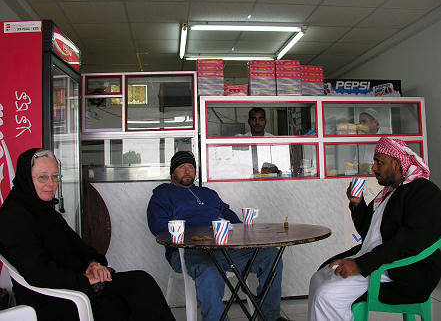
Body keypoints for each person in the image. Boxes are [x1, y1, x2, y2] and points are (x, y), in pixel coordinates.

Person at [0, 148, 175, 321]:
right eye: (42, 177)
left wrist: (93, 264)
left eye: (55, 176)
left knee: (141, 281)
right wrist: (84, 280)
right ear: (26, 179)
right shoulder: (14, 216)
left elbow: (81, 247)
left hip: (77, 283)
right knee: (118, 305)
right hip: (54, 297)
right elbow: (37, 271)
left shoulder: (45, 211)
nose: (51, 183)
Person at [307, 137, 441, 321]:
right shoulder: (390, 193)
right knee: (318, 279)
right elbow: (368, 232)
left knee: (327, 295)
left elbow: (409, 242)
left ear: (396, 163)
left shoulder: (424, 192)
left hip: (405, 271)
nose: (374, 168)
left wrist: (361, 264)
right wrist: (357, 203)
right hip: (379, 259)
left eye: (379, 162)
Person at [147, 151, 287, 321]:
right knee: (209, 269)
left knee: (270, 255)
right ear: (172, 172)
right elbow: (157, 227)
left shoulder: (208, 193)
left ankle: (270, 317)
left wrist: (241, 232)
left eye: (191, 167)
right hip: (189, 251)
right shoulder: (162, 195)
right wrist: (195, 233)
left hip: (224, 248)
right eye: (181, 167)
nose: (187, 170)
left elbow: (228, 214)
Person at [357, 108, 391, 174]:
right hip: (362, 175)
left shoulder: (385, 139)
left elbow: (388, 163)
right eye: (360, 122)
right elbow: (357, 159)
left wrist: (369, 167)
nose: (361, 125)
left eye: (364, 121)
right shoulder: (361, 138)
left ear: (375, 122)